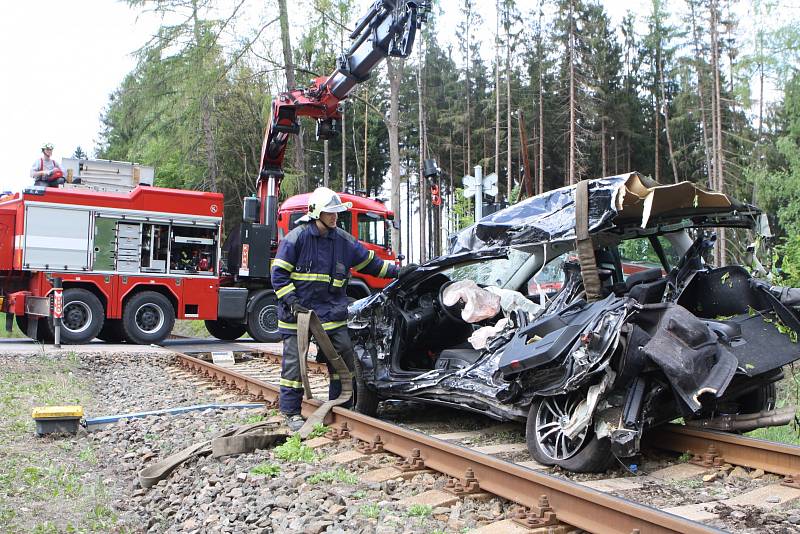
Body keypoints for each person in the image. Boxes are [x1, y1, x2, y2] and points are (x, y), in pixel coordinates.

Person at [271, 187, 406, 431]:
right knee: (294, 364)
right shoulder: (296, 238)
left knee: (343, 356)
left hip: (330, 312)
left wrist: (399, 272)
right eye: (330, 213)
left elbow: (372, 265)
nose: (335, 217)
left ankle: (340, 405)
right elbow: (278, 275)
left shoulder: (343, 241)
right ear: (316, 213)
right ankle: (291, 412)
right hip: (296, 314)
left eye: (336, 213)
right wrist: (291, 301)